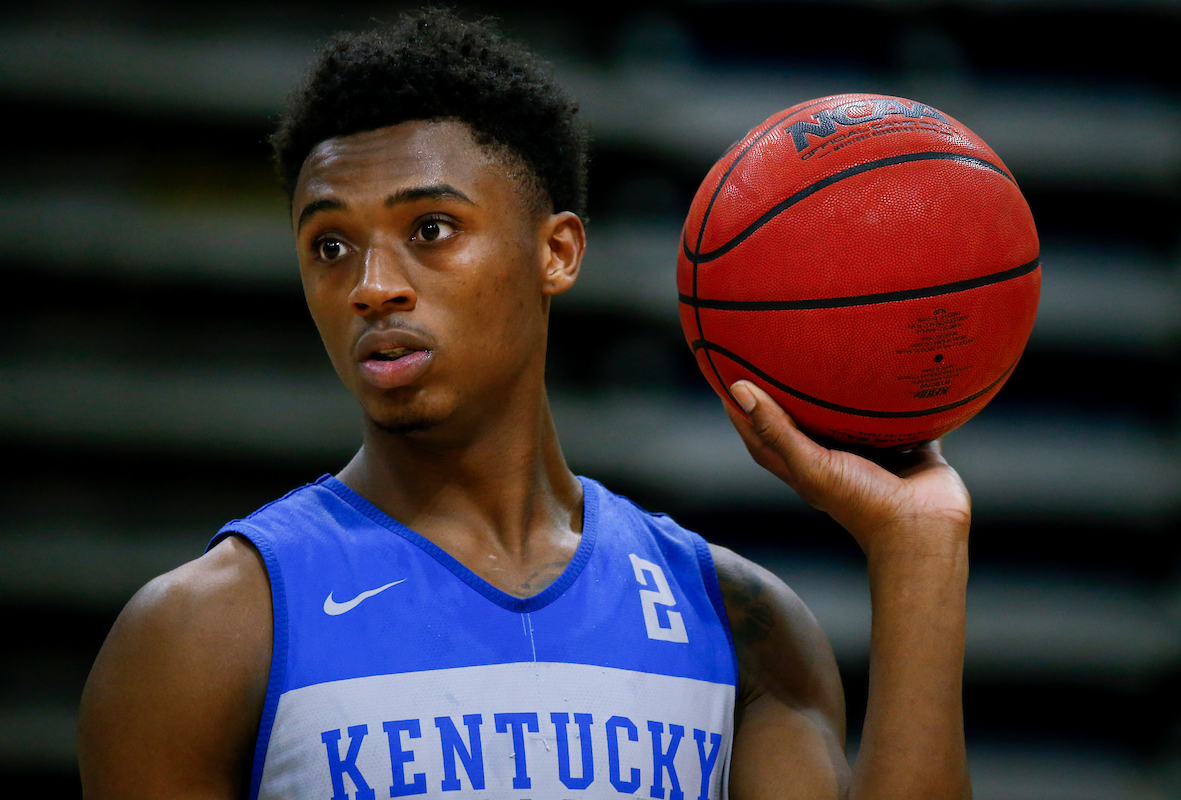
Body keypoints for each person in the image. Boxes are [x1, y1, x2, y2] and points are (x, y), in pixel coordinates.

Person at [78, 11, 972, 800]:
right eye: (331, 245)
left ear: (559, 251)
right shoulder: (206, 632)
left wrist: (919, 552)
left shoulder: (742, 629)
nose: (372, 287)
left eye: (430, 229)